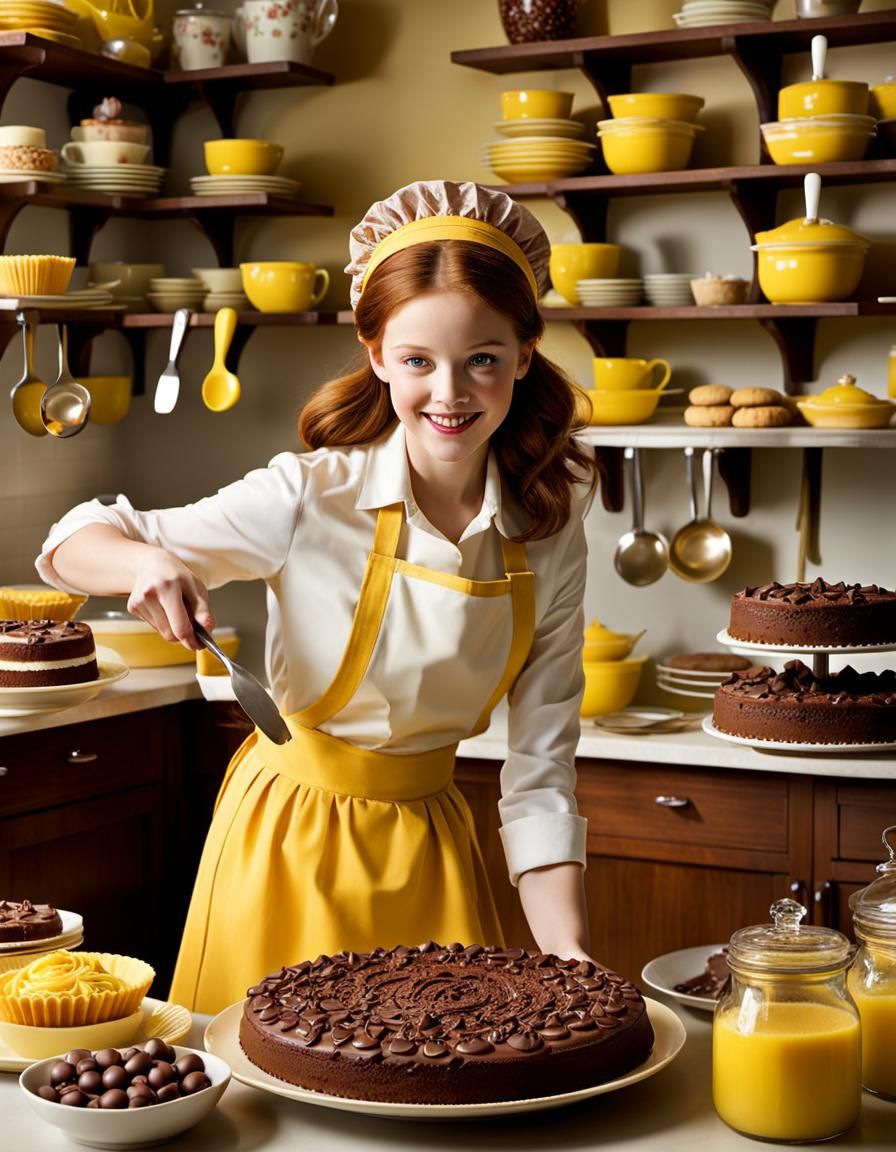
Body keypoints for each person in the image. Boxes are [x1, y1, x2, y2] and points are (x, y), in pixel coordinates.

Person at [37, 180, 600, 1015]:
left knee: (437, 1094)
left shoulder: (550, 528)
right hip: (288, 840)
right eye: (417, 360)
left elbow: (541, 773)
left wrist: (568, 955)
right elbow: (72, 539)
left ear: (524, 354)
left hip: (435, 848)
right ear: (376, 356)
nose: (449, 393)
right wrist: (143, 564)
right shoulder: (309, 496)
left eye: (482, 358)